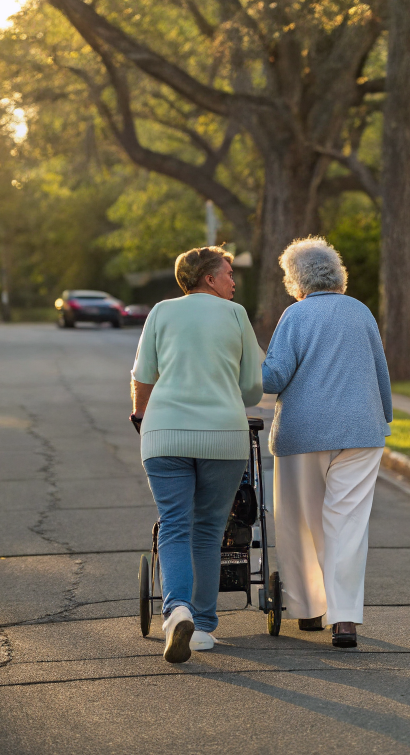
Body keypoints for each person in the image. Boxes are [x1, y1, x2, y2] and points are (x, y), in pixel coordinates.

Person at [130, 246, 263, 663]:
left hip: (164, 435)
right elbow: (252, 390)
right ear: (209, 278)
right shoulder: (236, 316)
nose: (233, 281)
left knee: (173, 525)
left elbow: (142, 377)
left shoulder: (160, 312)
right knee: (208, 530)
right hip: (223, 438)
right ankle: (203, 628)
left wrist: (140, 415)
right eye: (227, 273)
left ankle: (177, 611)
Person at [263, 236, 392, 648]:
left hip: (304, 434)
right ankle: (346, 620)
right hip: (361, 432)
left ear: (295, 280)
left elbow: (274, 377)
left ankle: (307, 609)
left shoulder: (295, 316)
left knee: (301, 522)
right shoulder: (361, 312)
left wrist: (243, 370)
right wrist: (382, 415)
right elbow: (380, 371)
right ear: (338, 275)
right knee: (348, 525)